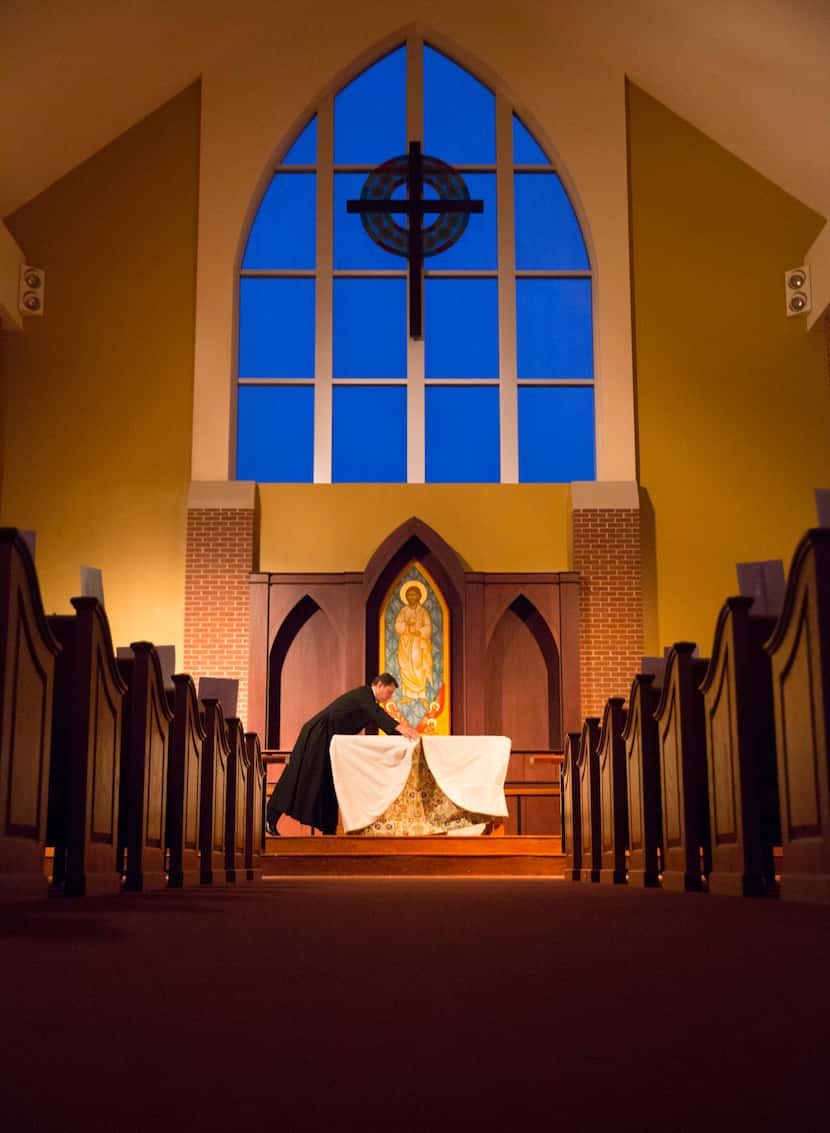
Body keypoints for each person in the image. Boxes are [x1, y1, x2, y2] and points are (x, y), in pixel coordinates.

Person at [265, 674, 418, 836]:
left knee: (327, 782)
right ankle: (270, 818)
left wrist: (402, 737)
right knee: (298, 776)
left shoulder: (369, 701)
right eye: (389, 692)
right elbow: (377, 715)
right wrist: (402, 728)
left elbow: (378, 718)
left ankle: (328, 829)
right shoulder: (363, 694)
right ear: (379, 685)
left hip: (328, 739)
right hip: (318, 734)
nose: (389, 698)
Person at [394, 583, 433, 705]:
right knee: (406, 667)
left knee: (418, 666)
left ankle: (421, 695)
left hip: (418, 643)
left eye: (414, 594)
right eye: (409, 595)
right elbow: (397, 626)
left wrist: (419, 631)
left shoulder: (423, 612)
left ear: (419, 596)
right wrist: (407, 627)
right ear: (406, 597)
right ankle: (408, 695)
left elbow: (428, 627)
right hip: (406, 643)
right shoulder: (403, 611)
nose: (412, 597)